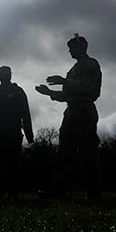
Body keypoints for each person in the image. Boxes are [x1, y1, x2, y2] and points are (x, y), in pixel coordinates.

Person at [36, 33, 102, 199]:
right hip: (72, 112)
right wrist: (49, 92)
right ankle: (57, 190)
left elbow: (90, 90)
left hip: (84, 112)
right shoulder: (73, 70)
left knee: (88, 152)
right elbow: (67, 95)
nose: (69, 52)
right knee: (64, 152)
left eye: (71, 48)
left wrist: (64, 81)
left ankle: (94, 193)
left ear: (82, 47)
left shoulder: (91, 65)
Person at [0, 66, 33, 204]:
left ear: (10, 75)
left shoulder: (18, 92)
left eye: (7, 73)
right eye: (3, 73)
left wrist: (29, 135)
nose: (5, 75)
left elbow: (26, 114)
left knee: (13, 165)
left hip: (14, 133)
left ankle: (13, 194)